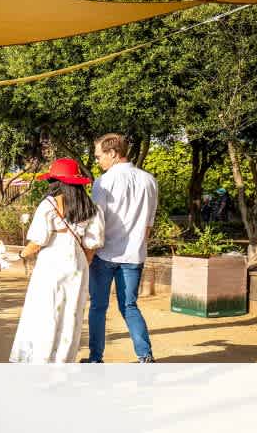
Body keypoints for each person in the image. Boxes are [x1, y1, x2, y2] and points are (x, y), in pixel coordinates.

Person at [8, 158, 104, 364]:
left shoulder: (48, 205)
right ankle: (62, 364)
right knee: (70, 315)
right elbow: (92, 246)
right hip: (77, 265)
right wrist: (81, 266)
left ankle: (39, 361)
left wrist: (19, 256)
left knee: (45, 311)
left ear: (56, 182)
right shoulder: (92, 209)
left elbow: (37, 242)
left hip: (51, 265)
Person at [86, 133, 158, 363]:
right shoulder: (149, 180)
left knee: (98, 307)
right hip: (134, 254)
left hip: (104, 253)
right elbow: (148, 225)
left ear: (113, 153)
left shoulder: (104, 182)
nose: (97, 161)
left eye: (99, 156)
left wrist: (89, 252)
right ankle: (145, 356)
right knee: (129, 306)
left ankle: (96, 358)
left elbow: (97, 222)